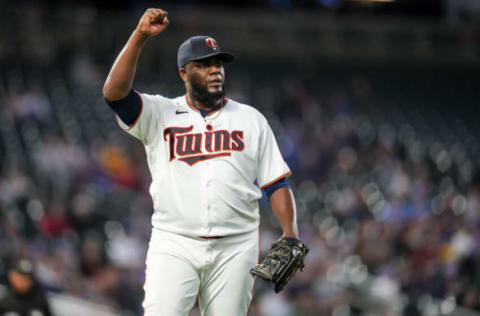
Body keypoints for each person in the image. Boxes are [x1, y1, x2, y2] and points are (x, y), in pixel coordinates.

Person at [103, 8, 303, 316]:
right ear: (183, 73)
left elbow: (276, 182)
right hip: (175, 241)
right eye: (204, 64)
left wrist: (290, 232)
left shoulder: (251, 119)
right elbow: (114, 94)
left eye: (218, 63)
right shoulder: (160, 113)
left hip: (236, 246)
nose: (215, 70)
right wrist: (140, 37)